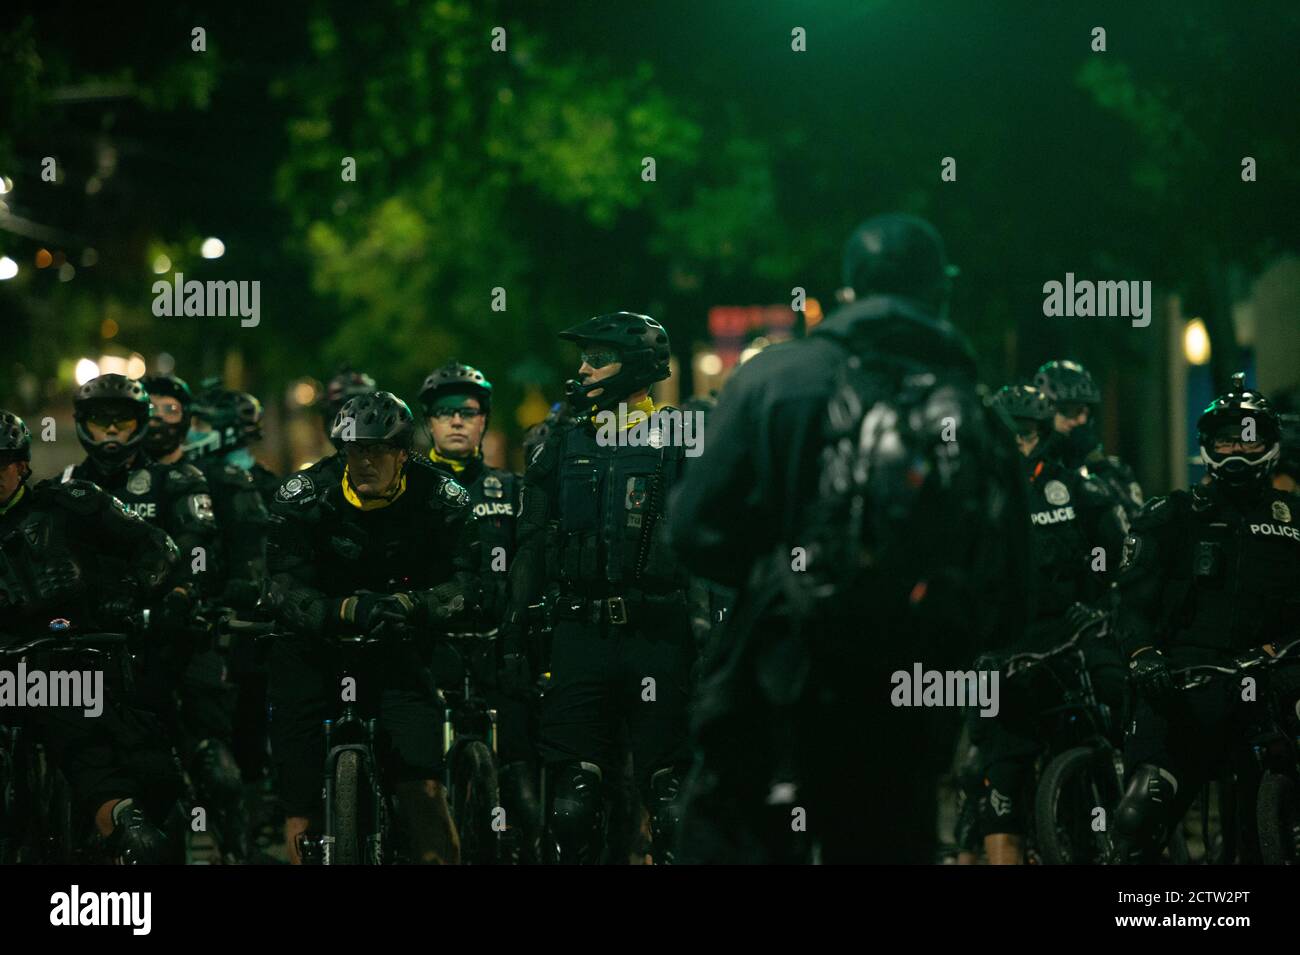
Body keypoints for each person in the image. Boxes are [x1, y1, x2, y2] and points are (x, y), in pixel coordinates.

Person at [668, 213, 1030, 863]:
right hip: (907, 716)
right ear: (938, 293)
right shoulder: (976, 410)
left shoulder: (775, 378)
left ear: (846, 293)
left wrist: (782, 572)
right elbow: (1009, 595)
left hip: (778, 695)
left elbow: (694, 529)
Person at [501, 311, 694, 863]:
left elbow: (710, 551)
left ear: (633, 366)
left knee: (672, 801)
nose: (582, 369)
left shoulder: (684, 441)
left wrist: (714, 636)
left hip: (659, 634)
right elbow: (532, 544)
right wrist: (513, 634)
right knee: (571, 806)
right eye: (582, 357)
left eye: (596, 358)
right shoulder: (556, 443)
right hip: (580, 635)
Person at [266, 391, 480, 864]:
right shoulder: (303, 496)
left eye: (378, 450)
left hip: (400, 650)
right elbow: (280, 585)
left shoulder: (441, 499)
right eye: (355, 449)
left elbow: (469, 583)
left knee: (421, 788)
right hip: (315, 653)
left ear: (403, 453)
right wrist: (340, 610)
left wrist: (414, 605)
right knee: (300, 805)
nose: (365, 461)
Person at [1109, 373, 1300, 862]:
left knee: (1271, 832)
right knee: (1136, 818)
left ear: (1271, 446)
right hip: (1181, 689)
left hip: (1270, 688)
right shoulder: (1169, 515)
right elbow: (1130, 603)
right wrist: (1143, 655)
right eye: (1225, 438)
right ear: (1208, 446)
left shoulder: (1294, 519)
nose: (1237, 447)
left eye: (1249, 437)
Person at [1, 410, 181, 862]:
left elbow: (158, 547)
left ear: (21, 465)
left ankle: (117, 822)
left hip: (71, 668)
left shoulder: (72, 505)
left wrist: (132, 592)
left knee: (131, 779)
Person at [975, 384, 1126, 864]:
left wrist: (1103, 603)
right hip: (1007, 646)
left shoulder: (1077, 487)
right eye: (1008, 435)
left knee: (1119, 698)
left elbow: (1120, 552)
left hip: (1074, 631)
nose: (1019, 444)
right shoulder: (975, 497)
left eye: (1027, 434)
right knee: (1002, 775)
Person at [419, 359, 540, 862]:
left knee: (521, 776)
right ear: (428, 421)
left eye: (467, 412)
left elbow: (532, 564)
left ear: (484, 420)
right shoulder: (408, 489)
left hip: (497, 647)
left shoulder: (510, 490)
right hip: (428, 646)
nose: (456, 421)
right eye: (444, 412)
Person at [1034, 359, 1144, 522]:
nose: (1082, 420)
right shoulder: (1031, 469)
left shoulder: (1109, 471)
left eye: (1086, 412)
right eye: (1070, 411)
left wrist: (1098, 466)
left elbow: (1134, 522)